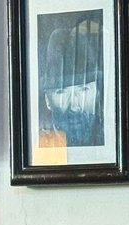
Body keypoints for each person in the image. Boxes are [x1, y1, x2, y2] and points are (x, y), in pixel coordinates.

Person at [39, 13, 104, 149]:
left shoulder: (109, 141)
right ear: (47, 99)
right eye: (61, 91)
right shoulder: (41, 147)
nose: (74, 106)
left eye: (84, 89)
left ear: (98, 93)